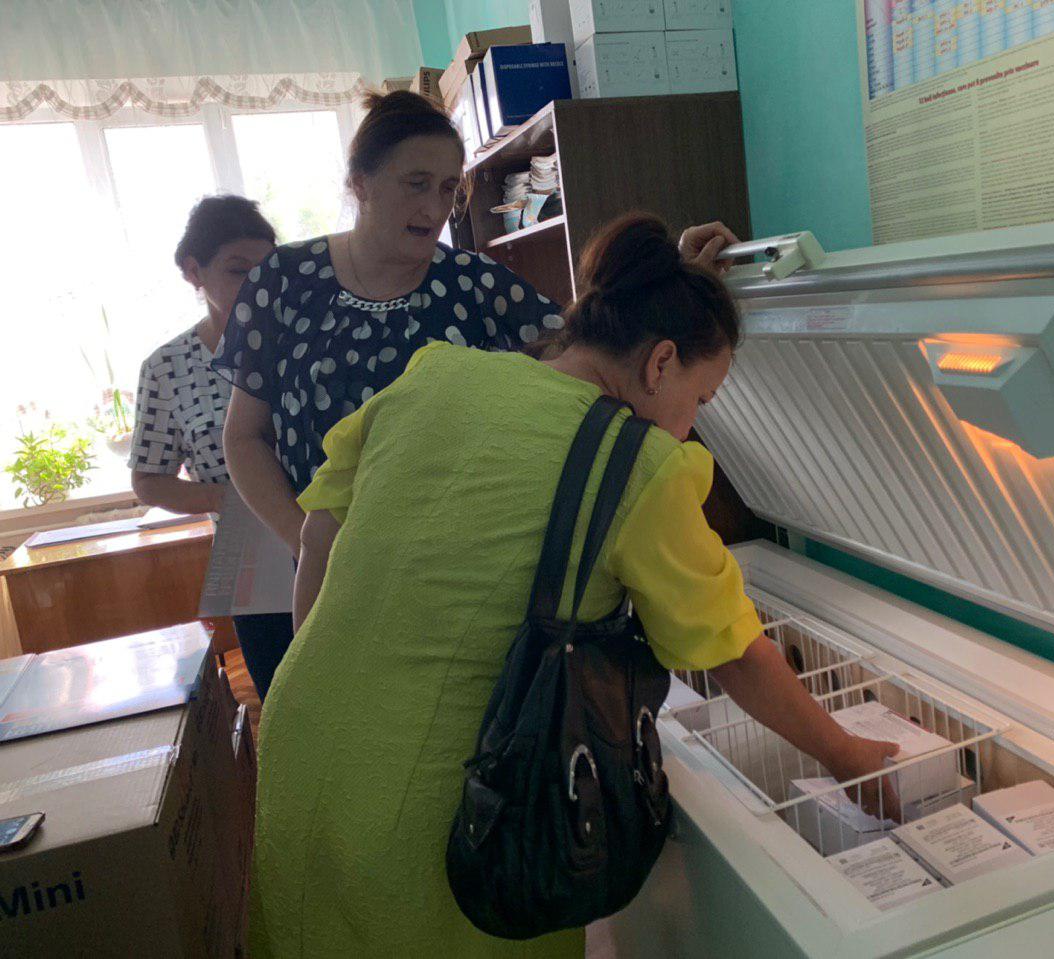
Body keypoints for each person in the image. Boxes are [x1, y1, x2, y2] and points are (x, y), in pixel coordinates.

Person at [249, 214, 901, 957]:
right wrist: (845, 754)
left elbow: (319, 536)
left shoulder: (438, 374)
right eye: (702, 398)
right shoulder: (640, 465)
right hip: (431, 807)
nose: (692, 424)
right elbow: (732, 652)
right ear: (660, 363)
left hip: (299, 738)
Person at [213, 90, 566, 697]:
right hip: (325, 573)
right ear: (361, 183)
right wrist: (313, 545)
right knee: (337, 718)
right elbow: (244, 439)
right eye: (416, 184)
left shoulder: (475, 285)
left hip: (454, 582)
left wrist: (668, 273)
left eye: (449, 188)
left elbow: (586, 348)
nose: (435, 207)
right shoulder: (283, 283)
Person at [129, 195, 293, 692]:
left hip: (334, 527)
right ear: (193, 271)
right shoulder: (166, 367)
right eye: (238, 270)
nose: (257, 285)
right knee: (279, 692)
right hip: (248, 545)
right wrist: (231, 498)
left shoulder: (306, 339)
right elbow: (149, 481)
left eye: (267, 270)